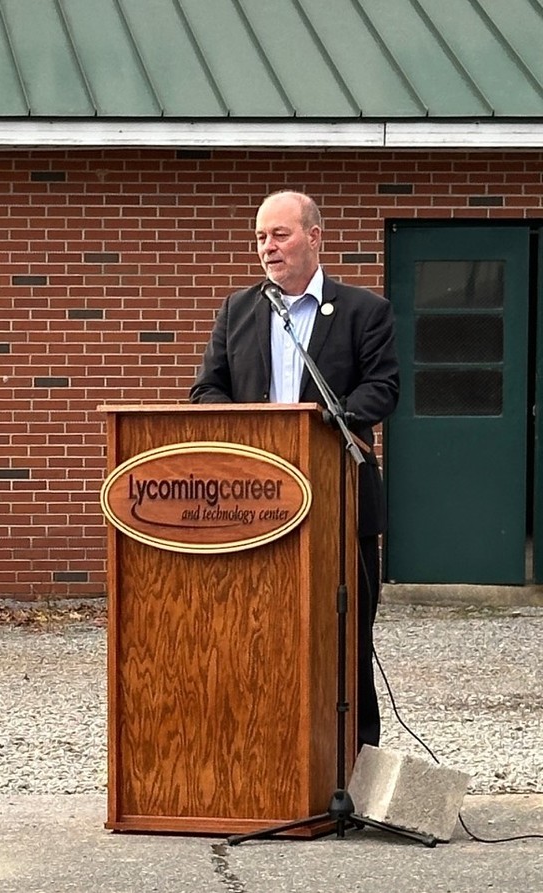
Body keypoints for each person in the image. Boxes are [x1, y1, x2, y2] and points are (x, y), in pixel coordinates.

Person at [188, 190, 400, 749]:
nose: (267, 248)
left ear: (314, 237)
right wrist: (243, 429)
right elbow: (206, 389)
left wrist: (331, 420)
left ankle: (355, 760)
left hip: (339, 497)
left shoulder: (363, 311)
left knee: (345, 635)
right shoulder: (238, 310)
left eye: (279, 235)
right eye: (260, 237)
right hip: (255, 502)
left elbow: (383, 388)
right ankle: (268, 756)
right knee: (260, 633)